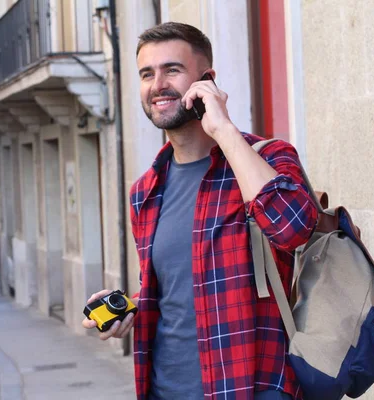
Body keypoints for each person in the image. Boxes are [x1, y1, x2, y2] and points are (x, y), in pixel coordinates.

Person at [82, 22, 319, 400]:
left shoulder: (269, 159)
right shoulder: (145, 191)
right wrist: (127, 309)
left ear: (206, 79)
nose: (157, 84)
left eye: (171, 70)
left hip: (250, 388)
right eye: (147, 74)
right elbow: (178, 293)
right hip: (164, 389)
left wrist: (224, 129)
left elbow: (293, 228)